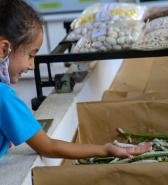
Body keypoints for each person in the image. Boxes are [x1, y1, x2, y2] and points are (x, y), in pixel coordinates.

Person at [0, 0, 151, 160]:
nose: (32, 66)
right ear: (4, 49)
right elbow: (48, 147)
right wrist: (106, 149)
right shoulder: (4, 97)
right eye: (31, 55)